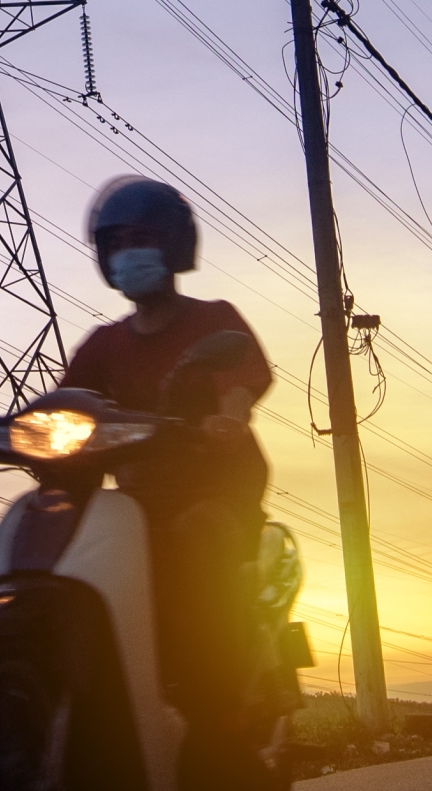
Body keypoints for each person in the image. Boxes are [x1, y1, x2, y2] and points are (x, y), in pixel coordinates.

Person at [58, 175, 272, 726]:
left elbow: (240, 377)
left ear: (174, 244)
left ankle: (216, 719)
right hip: (133, 507)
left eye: (142, 237)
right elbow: (70, 405)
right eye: (116, 243)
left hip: (214, 489)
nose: (129, 253)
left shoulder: (214, 320)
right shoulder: (103, 346)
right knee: (64, 557)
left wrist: (229, 415)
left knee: (199, 551)